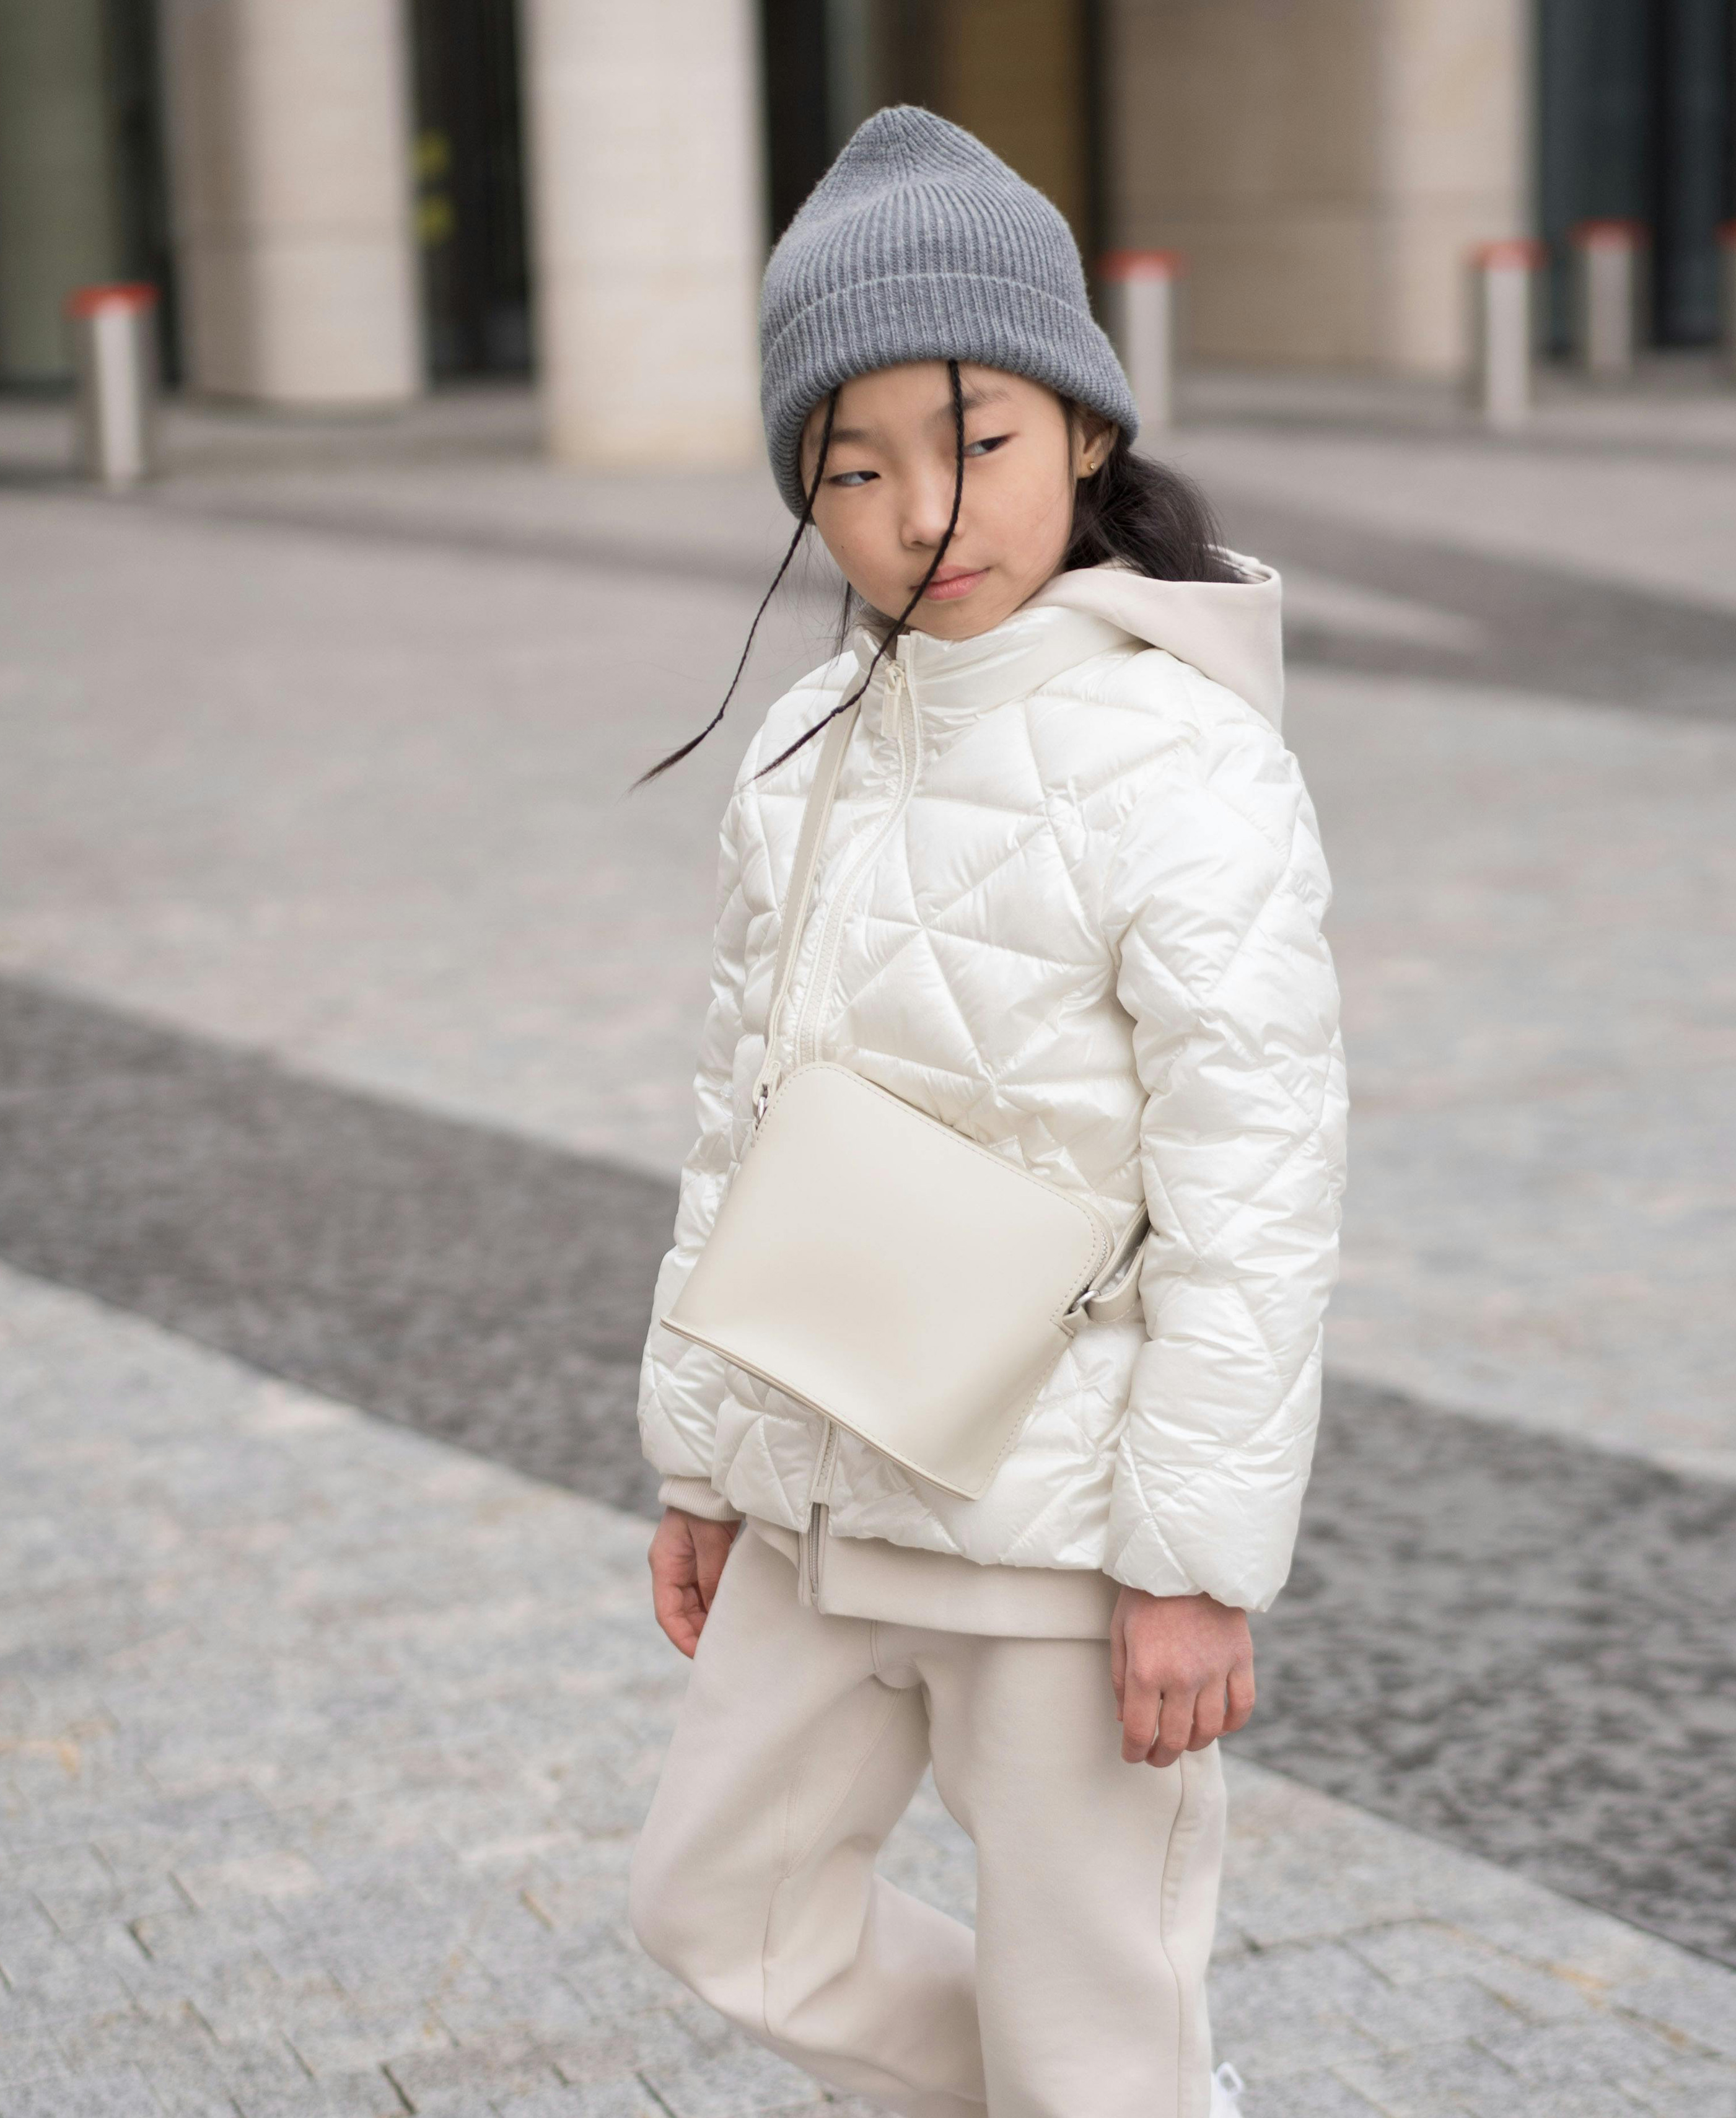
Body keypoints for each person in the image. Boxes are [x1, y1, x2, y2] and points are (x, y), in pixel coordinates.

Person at [625, 107, 1346, 2118]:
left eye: (976, 441)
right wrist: (702, 1457)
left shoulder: (1187, 760)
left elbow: (1255, 1189)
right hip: (816, 1478)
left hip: (1064, 1538)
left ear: (1087, 429)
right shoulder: (800, 744)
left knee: (1090, 2035)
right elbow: (735, 1115)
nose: (918, 513)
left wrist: (1192, 1560)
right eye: (850, 466)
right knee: (719, 1908)